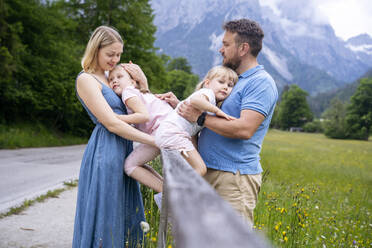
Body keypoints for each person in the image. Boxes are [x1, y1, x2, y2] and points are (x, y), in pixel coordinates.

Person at [158, 19, 278, 224]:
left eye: (226, 44)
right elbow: (212, 118)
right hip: (208, 172)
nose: (220, 49)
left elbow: (244, 129)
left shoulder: (261, 83)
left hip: (232, 179)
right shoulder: (236, 81)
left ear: (243, 48)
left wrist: (199, 118)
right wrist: (182, 108)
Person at [73, 26, 156, 248]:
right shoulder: (87, 79)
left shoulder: (112, 77)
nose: (115, 59)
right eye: (110, 54)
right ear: (96, 49)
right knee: (107, 209)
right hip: (106, 149)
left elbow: (137, 106)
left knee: (125, 207)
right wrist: (154, 141)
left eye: (118, 54)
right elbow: (110, 123)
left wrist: (144, 85)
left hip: (124, 148)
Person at [108, 65, 238, 201]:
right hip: (168, 132)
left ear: (133, 82)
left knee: (130, 165)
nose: (225, 87)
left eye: (230, 85)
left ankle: (171, 192)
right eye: (221, 82)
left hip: (164, 132)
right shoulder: (207, 95)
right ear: (207, 82)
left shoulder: (130, 92)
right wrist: (219, 112)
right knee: (199, 169)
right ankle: (176, 193)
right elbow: (193, 101)